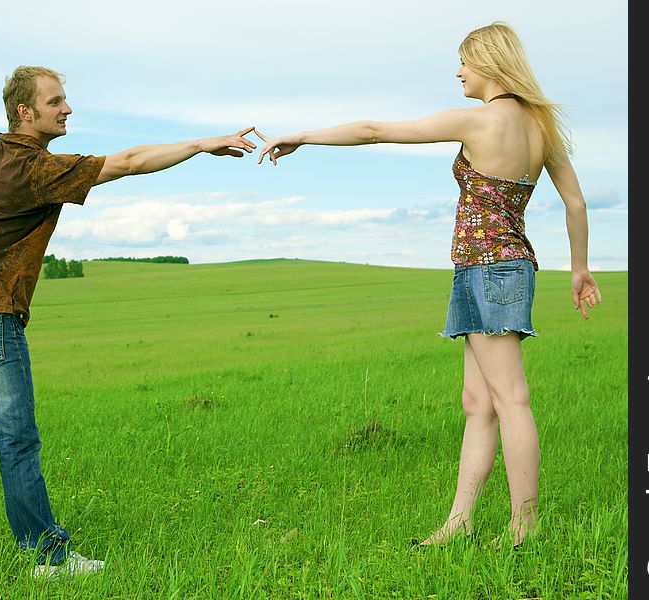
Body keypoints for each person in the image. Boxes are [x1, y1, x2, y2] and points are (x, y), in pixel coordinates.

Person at [257, 22, 601, 548]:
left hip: (487, 267)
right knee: (477, 402)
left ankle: (524, 527)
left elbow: (374, 130)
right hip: (505, 266)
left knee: (510, 398)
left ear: (488, 62)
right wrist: (580, 269)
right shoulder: (540, 128)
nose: (458, 71)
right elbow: (575, 203)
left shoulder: (478, 120)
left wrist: (302, 136)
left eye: (463, 61)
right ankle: (457, 523)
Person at [0, 65, 257, 576]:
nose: (67, 108)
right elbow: (127, 162)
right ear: (24, 111)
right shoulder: (36, 169)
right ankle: (48, 559)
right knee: (16, 439)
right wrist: (202, 144)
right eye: (56, 101)